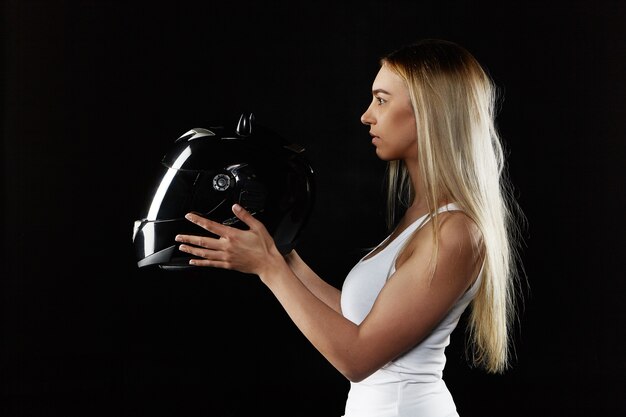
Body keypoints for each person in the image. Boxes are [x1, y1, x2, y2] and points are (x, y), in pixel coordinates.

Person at [174, 38, 524, 417]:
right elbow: (356, 320)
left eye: (382, 99)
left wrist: (269, 268)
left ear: (430, 111)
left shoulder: (456, 231)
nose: (367, 115)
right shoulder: (424, 218)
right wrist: (279, 253)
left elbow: (358, 358)